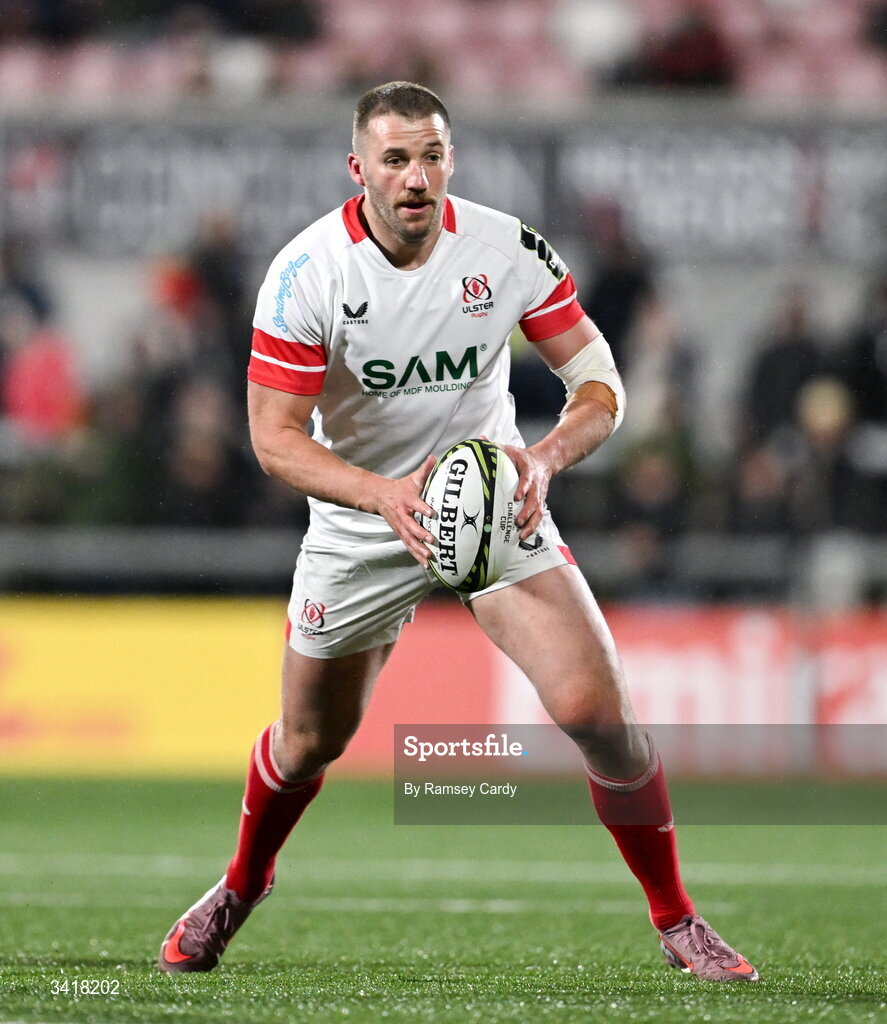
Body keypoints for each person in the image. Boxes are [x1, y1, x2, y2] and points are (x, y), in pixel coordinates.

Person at [157, 82, 758, 983]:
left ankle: (677, 919)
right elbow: (273, 441)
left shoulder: (505, 249)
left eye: (430, 155)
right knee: (307, 743)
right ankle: (242, 882)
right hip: (361, 522)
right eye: (393, 159)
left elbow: (600, 385)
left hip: (494, 502)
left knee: (600, 715)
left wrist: (547, 458)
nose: (414, 177)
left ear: (451, 161)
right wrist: (381, 496)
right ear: (356, 169)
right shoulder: (306, 274)